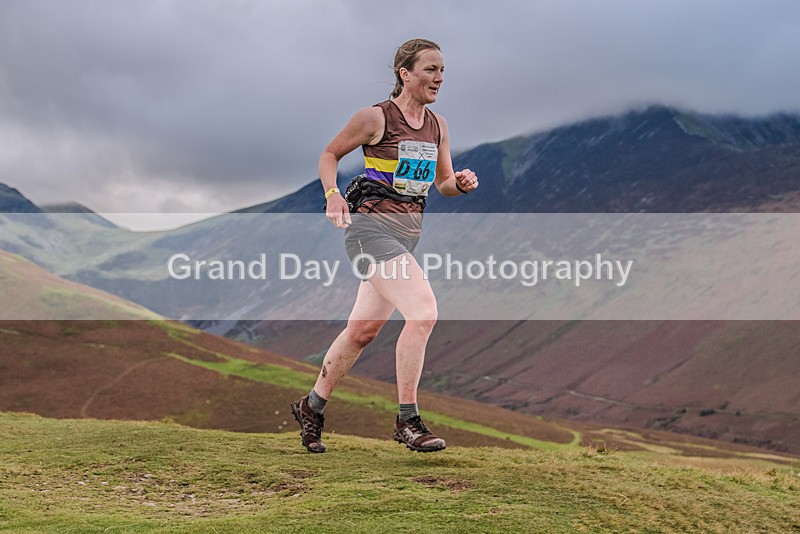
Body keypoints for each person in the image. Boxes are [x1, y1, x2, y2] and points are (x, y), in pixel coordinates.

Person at [291, 38, 478, 453]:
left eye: (443, 70)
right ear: (404, 73)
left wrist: (459, 185)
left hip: (406, 236)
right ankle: (407, 420)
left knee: (362, 331)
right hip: (369, 232)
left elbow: (442, 184)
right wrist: (332, 195)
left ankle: (311, 406)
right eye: (430, 69)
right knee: (424, 312)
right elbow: (328, 154)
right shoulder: (375, 118)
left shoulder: (438, 125)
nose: (440, 77)